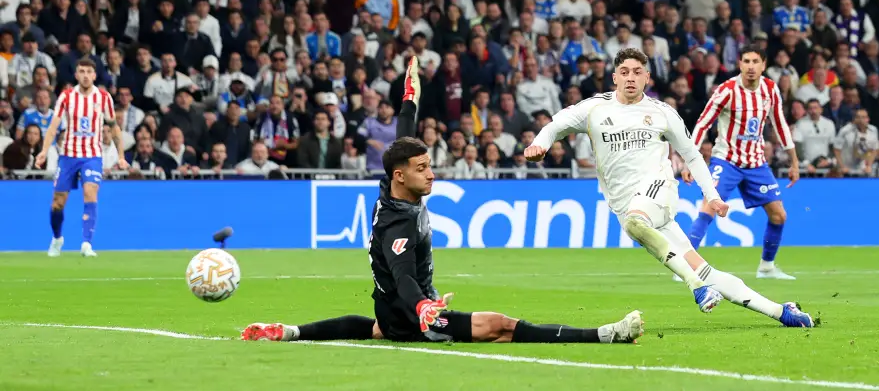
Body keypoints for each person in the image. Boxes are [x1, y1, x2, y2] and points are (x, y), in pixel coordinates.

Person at [242, 58, 645, 345]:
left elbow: (403, 139)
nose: (431, 173)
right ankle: (603, 335)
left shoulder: (393, 188)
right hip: (413, 316)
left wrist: (409, 99)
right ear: (402, 176)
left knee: (376, 328)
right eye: (423, 168)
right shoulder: (395, 223)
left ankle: (292, 332)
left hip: (395, 313)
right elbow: (401, 276)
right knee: (500, 326)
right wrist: (424, 308)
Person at [525, 48, 813, 327]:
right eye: (624, 72)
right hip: (628, 203)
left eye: (637, 72)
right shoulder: (594, 108)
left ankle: (696, 287)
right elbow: (555, 125)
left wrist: (711, 195)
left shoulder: (662, 112)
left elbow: (692, 155)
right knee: (703, 267)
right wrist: (540, 143)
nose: (630, 78)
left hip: (659, 188)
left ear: (647, 78)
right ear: (614, 77)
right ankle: (780, 312)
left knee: (635, 224)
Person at [682, 47, 802, 279]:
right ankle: (686, 265)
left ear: (763, 65)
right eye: (746, 61)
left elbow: (780, 124)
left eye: (755, 61)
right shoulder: (726, 91)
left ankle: (767, 267)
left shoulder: (770, 89)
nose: (750, 66)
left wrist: (794, 161)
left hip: (756, 163)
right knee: (709, 206)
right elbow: (703, 124)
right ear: (739, 64)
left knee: (779, 215)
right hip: (726, 159)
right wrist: (689, 160)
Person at [38, 59, 125, 257]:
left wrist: (120, 155)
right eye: (81, 71)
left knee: (90, 193)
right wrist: (44, 150)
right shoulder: (67, 96)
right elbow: (54, 125)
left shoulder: (103, 97)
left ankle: (86, 243)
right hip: (68, 155)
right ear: (76, 75)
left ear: (94, 75)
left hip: (92, 155)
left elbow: (113, 126)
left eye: (89, 72)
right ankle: (57, 238)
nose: (85, 75)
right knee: (58, 203)